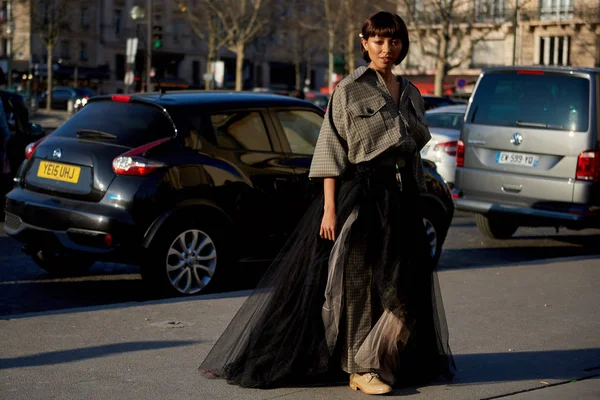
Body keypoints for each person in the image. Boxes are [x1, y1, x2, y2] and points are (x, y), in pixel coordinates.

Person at [199, 11, 455, 395]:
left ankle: (383, 357)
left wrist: (416, 199)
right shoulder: (348, 90)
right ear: (364, 42)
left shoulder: (412, 92)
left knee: (405, 286)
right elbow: (330, 153)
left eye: (395, 41)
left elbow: (413, 154)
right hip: (362, 196)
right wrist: (330, 208)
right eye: (379, 41)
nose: (387, 49)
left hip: (401, 199)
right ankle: (360, 367)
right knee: (357, 285)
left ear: (403, 44)